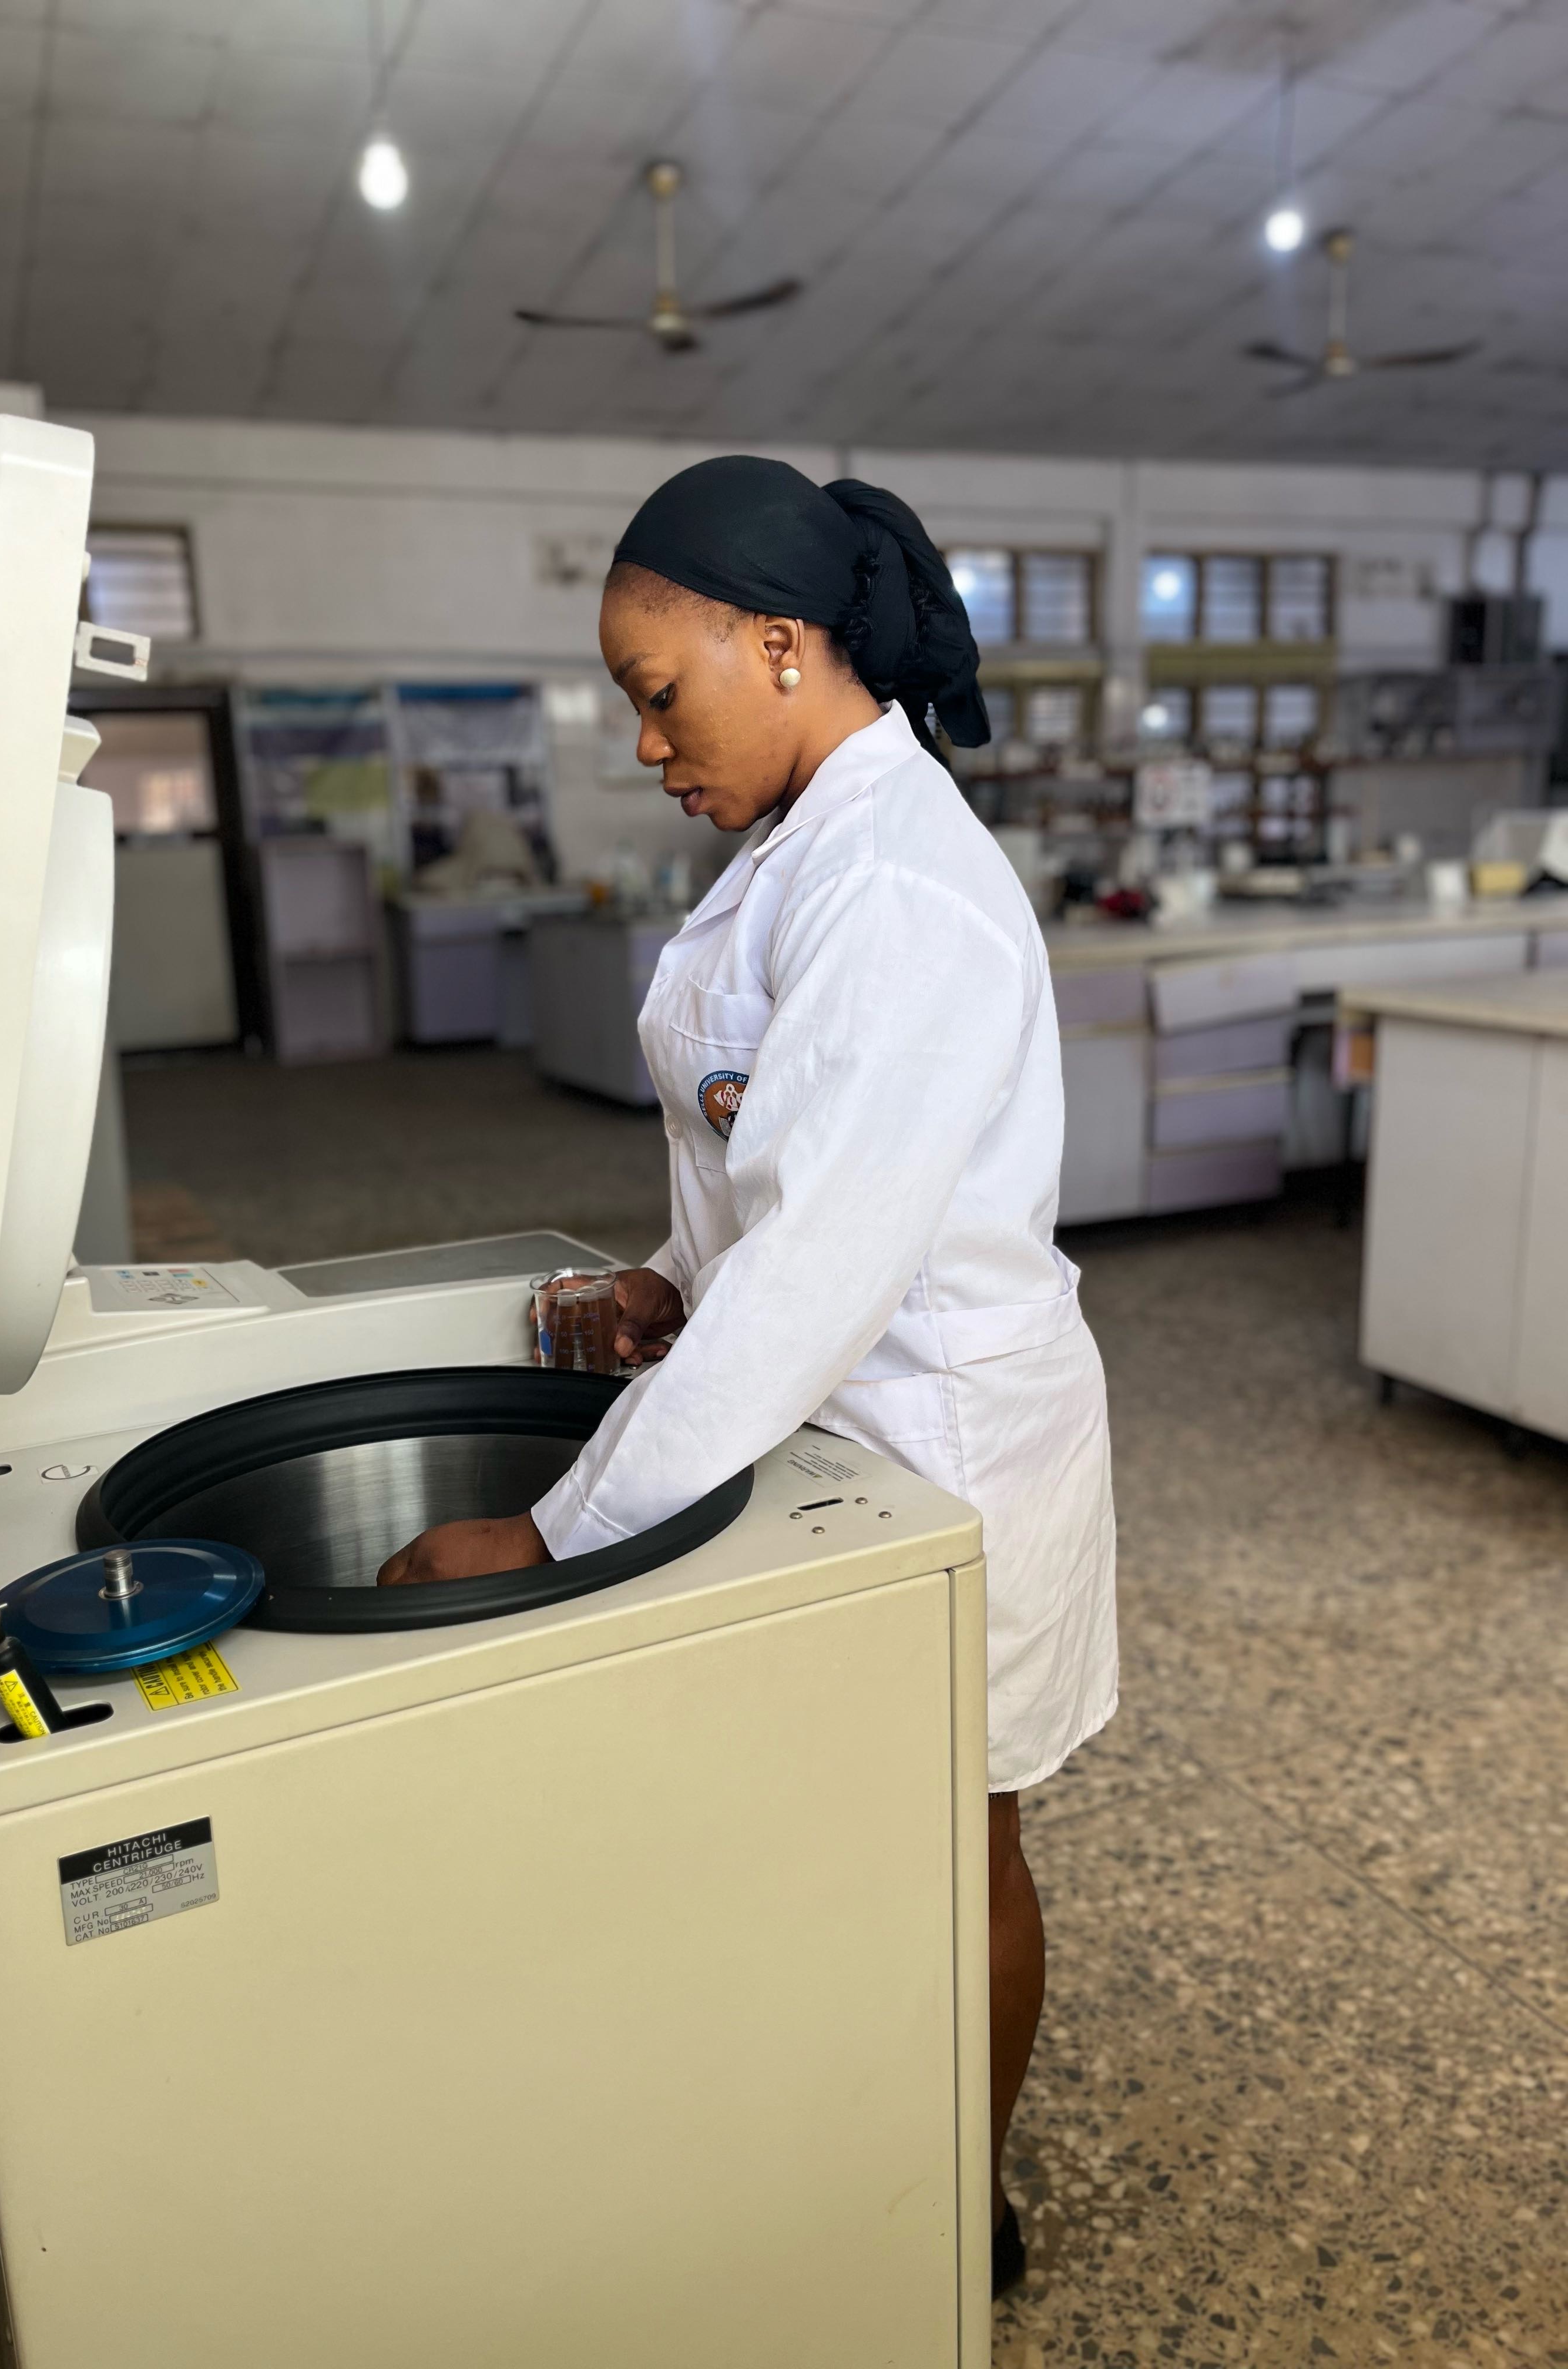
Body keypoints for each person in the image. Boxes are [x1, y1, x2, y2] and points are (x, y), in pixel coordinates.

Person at [376, 454, 1118, 2297]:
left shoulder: (899, 885)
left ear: (778, 644)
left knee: (967, 1835)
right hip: (823, 1419)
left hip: (949, 1435)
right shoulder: (802, 849)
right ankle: (832, 2132)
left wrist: (553, 1539)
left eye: (659, 693)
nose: (648, 745)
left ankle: (963, 2207)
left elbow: (822, 1269)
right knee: (840, 1817)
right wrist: (664, 1278)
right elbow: (768, 1175)